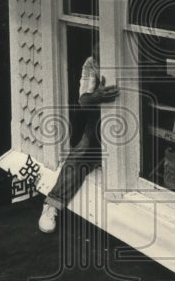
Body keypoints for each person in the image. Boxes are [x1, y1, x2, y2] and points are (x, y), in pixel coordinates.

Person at [38, 42, 119, 233]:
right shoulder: (92, 63)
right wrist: (96, 96)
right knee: (81, 153)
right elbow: (83, 100)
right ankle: (52, 205)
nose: (97, 53)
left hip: (132, 118)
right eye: (95, 49)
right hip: (101, 118)